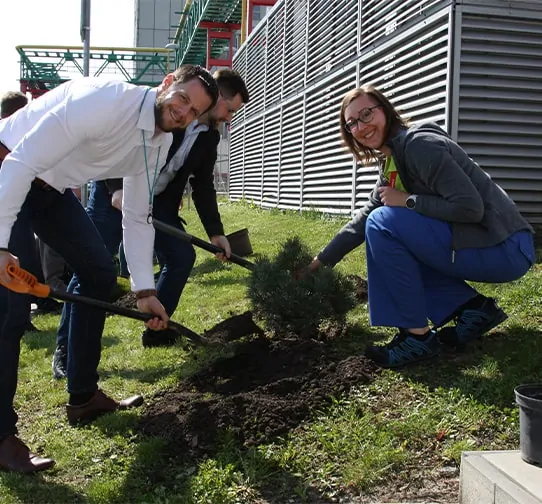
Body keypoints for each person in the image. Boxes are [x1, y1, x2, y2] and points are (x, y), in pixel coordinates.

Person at [0, 64, 218, 473]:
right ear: (167, 82)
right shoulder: (102, 101)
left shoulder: (155, 143)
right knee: (8, 307)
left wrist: (146, 291)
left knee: (99, 273)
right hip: (7, 166)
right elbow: (20, 164)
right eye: (183, 99)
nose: (183, 112)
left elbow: (137, 217)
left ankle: (82, 397)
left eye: (194, 112)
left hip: (49, 189)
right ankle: (0, 436)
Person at [304, 84, 535, 368]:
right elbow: (361, 219)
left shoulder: (419, 146)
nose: (361, 127)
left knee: (383, 224)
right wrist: (318, 263)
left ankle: (417, 338)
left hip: (507, 247)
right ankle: (474, 311)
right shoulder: (392, 160)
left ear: (385, 110)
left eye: (366, 114)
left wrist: (408, 201)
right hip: (488, 245)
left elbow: (470, 208)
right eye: (351, 123)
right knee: (384, 227)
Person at [142, 67, 250, 347]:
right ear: (214, 97)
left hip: (160, 200)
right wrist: (116, 191)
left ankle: (156, 329)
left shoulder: (209, 136)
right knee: (93, 271)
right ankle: (66, 349)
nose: (229, 118)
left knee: (180, 257)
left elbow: (203, 186)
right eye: (229, 108)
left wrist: (216, 233)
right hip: (116, 192)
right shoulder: (172, 113)